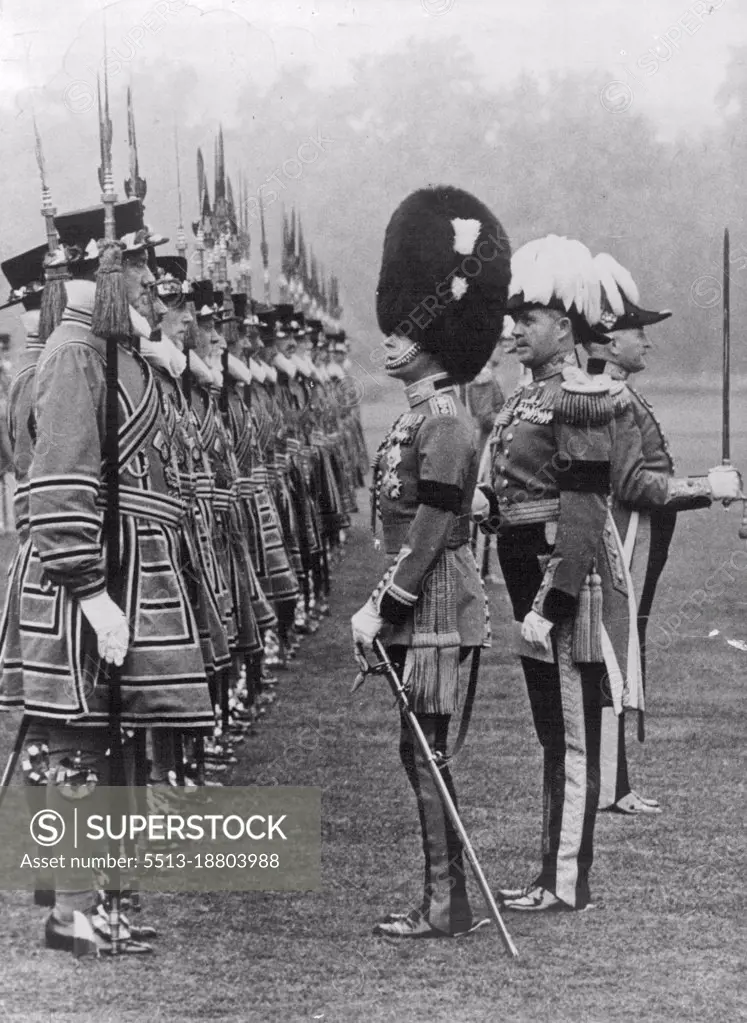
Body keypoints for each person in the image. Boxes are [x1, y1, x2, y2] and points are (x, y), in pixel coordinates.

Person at [352, 185, 510, 937]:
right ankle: (441, 899)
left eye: (405, 329)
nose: (389, 338)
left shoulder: (442, 419)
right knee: (419, 750)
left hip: (435, 601)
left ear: (434, 333)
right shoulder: (421, 413)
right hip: (423, 598)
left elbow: (432, 525)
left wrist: (386, 602)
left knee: (424, 752)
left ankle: (446, 903)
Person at [474, 235, 641, 913]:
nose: (516, 329)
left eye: (531, 320)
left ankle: (566, 877)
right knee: (552, 730)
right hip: (524, 567)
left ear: (564, 327)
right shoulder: (525, 396)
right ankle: (550, 868)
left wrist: (557, 594)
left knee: (571, 734)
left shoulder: (576, 395)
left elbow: (581, 505)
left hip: (555, 575)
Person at [580, 252, 742, 815]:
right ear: (608, 339)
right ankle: (609, 786)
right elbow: (636, 487)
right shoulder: (616, 398)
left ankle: (613, 783)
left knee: (619, 655)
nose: (647, 343)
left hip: (629, 540)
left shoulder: (618, 393)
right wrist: (706, 487)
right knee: (613, 656)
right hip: (621, 541)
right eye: (637, 332)